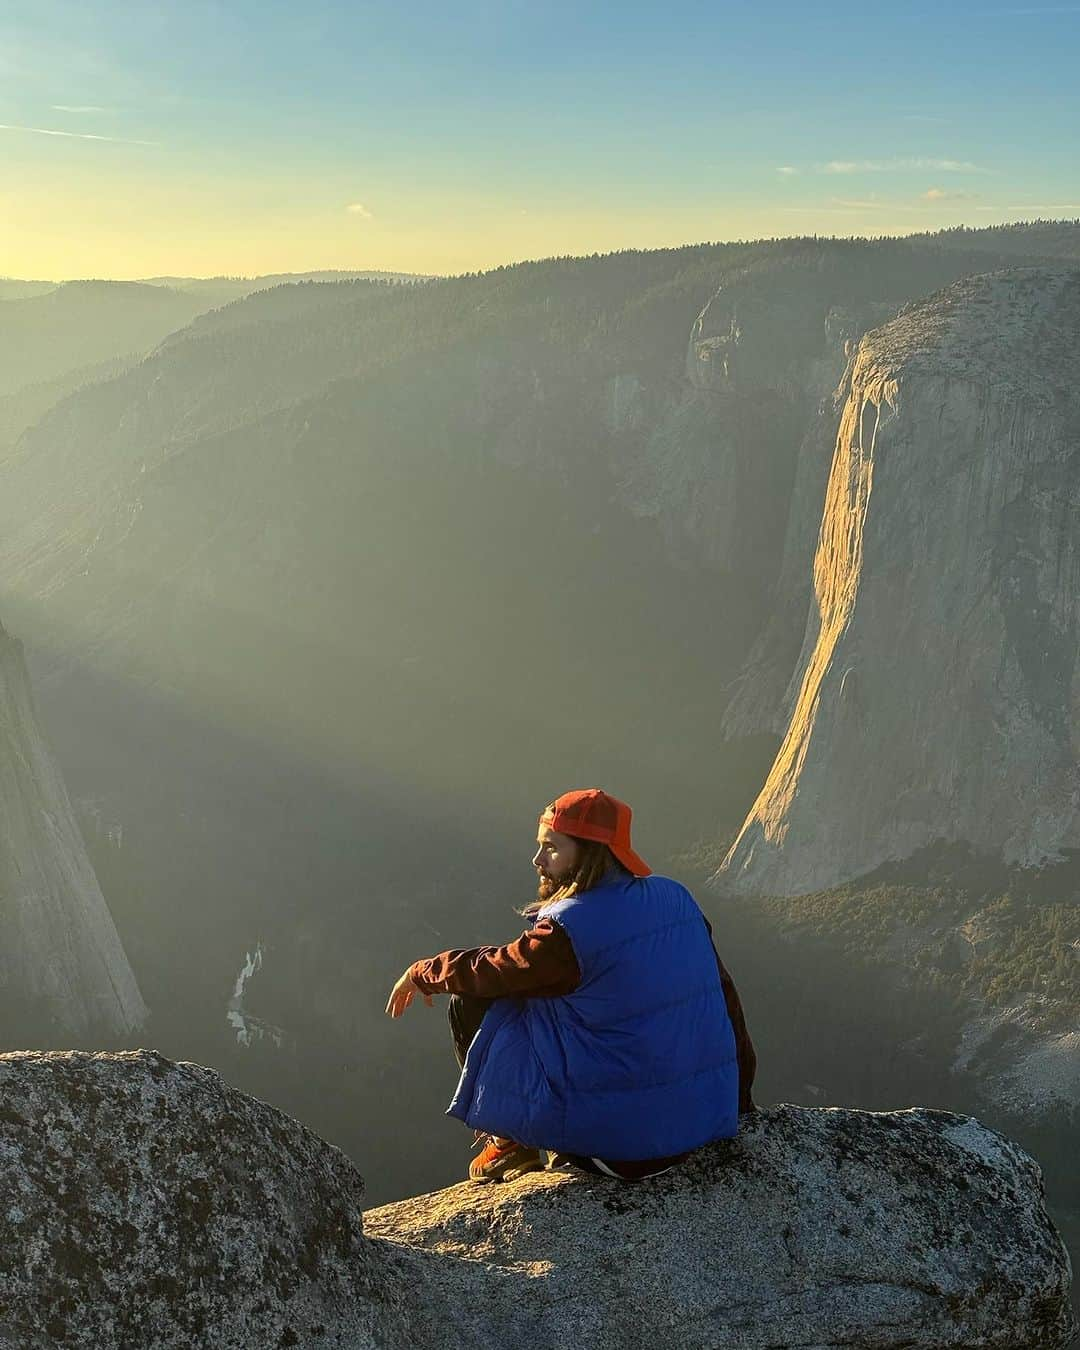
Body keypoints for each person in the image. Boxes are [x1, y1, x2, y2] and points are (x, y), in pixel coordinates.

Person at [385, 787, 756, 1183]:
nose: (537, 860)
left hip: (621, 1151)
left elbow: (491, 970)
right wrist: (740, 1101)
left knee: (472, 999)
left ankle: (511, 1146)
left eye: (552, 848)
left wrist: (423, 972)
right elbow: (724, 1001)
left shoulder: (568, 932)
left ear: (592, 851)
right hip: (698, 1126)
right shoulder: (677, 898)